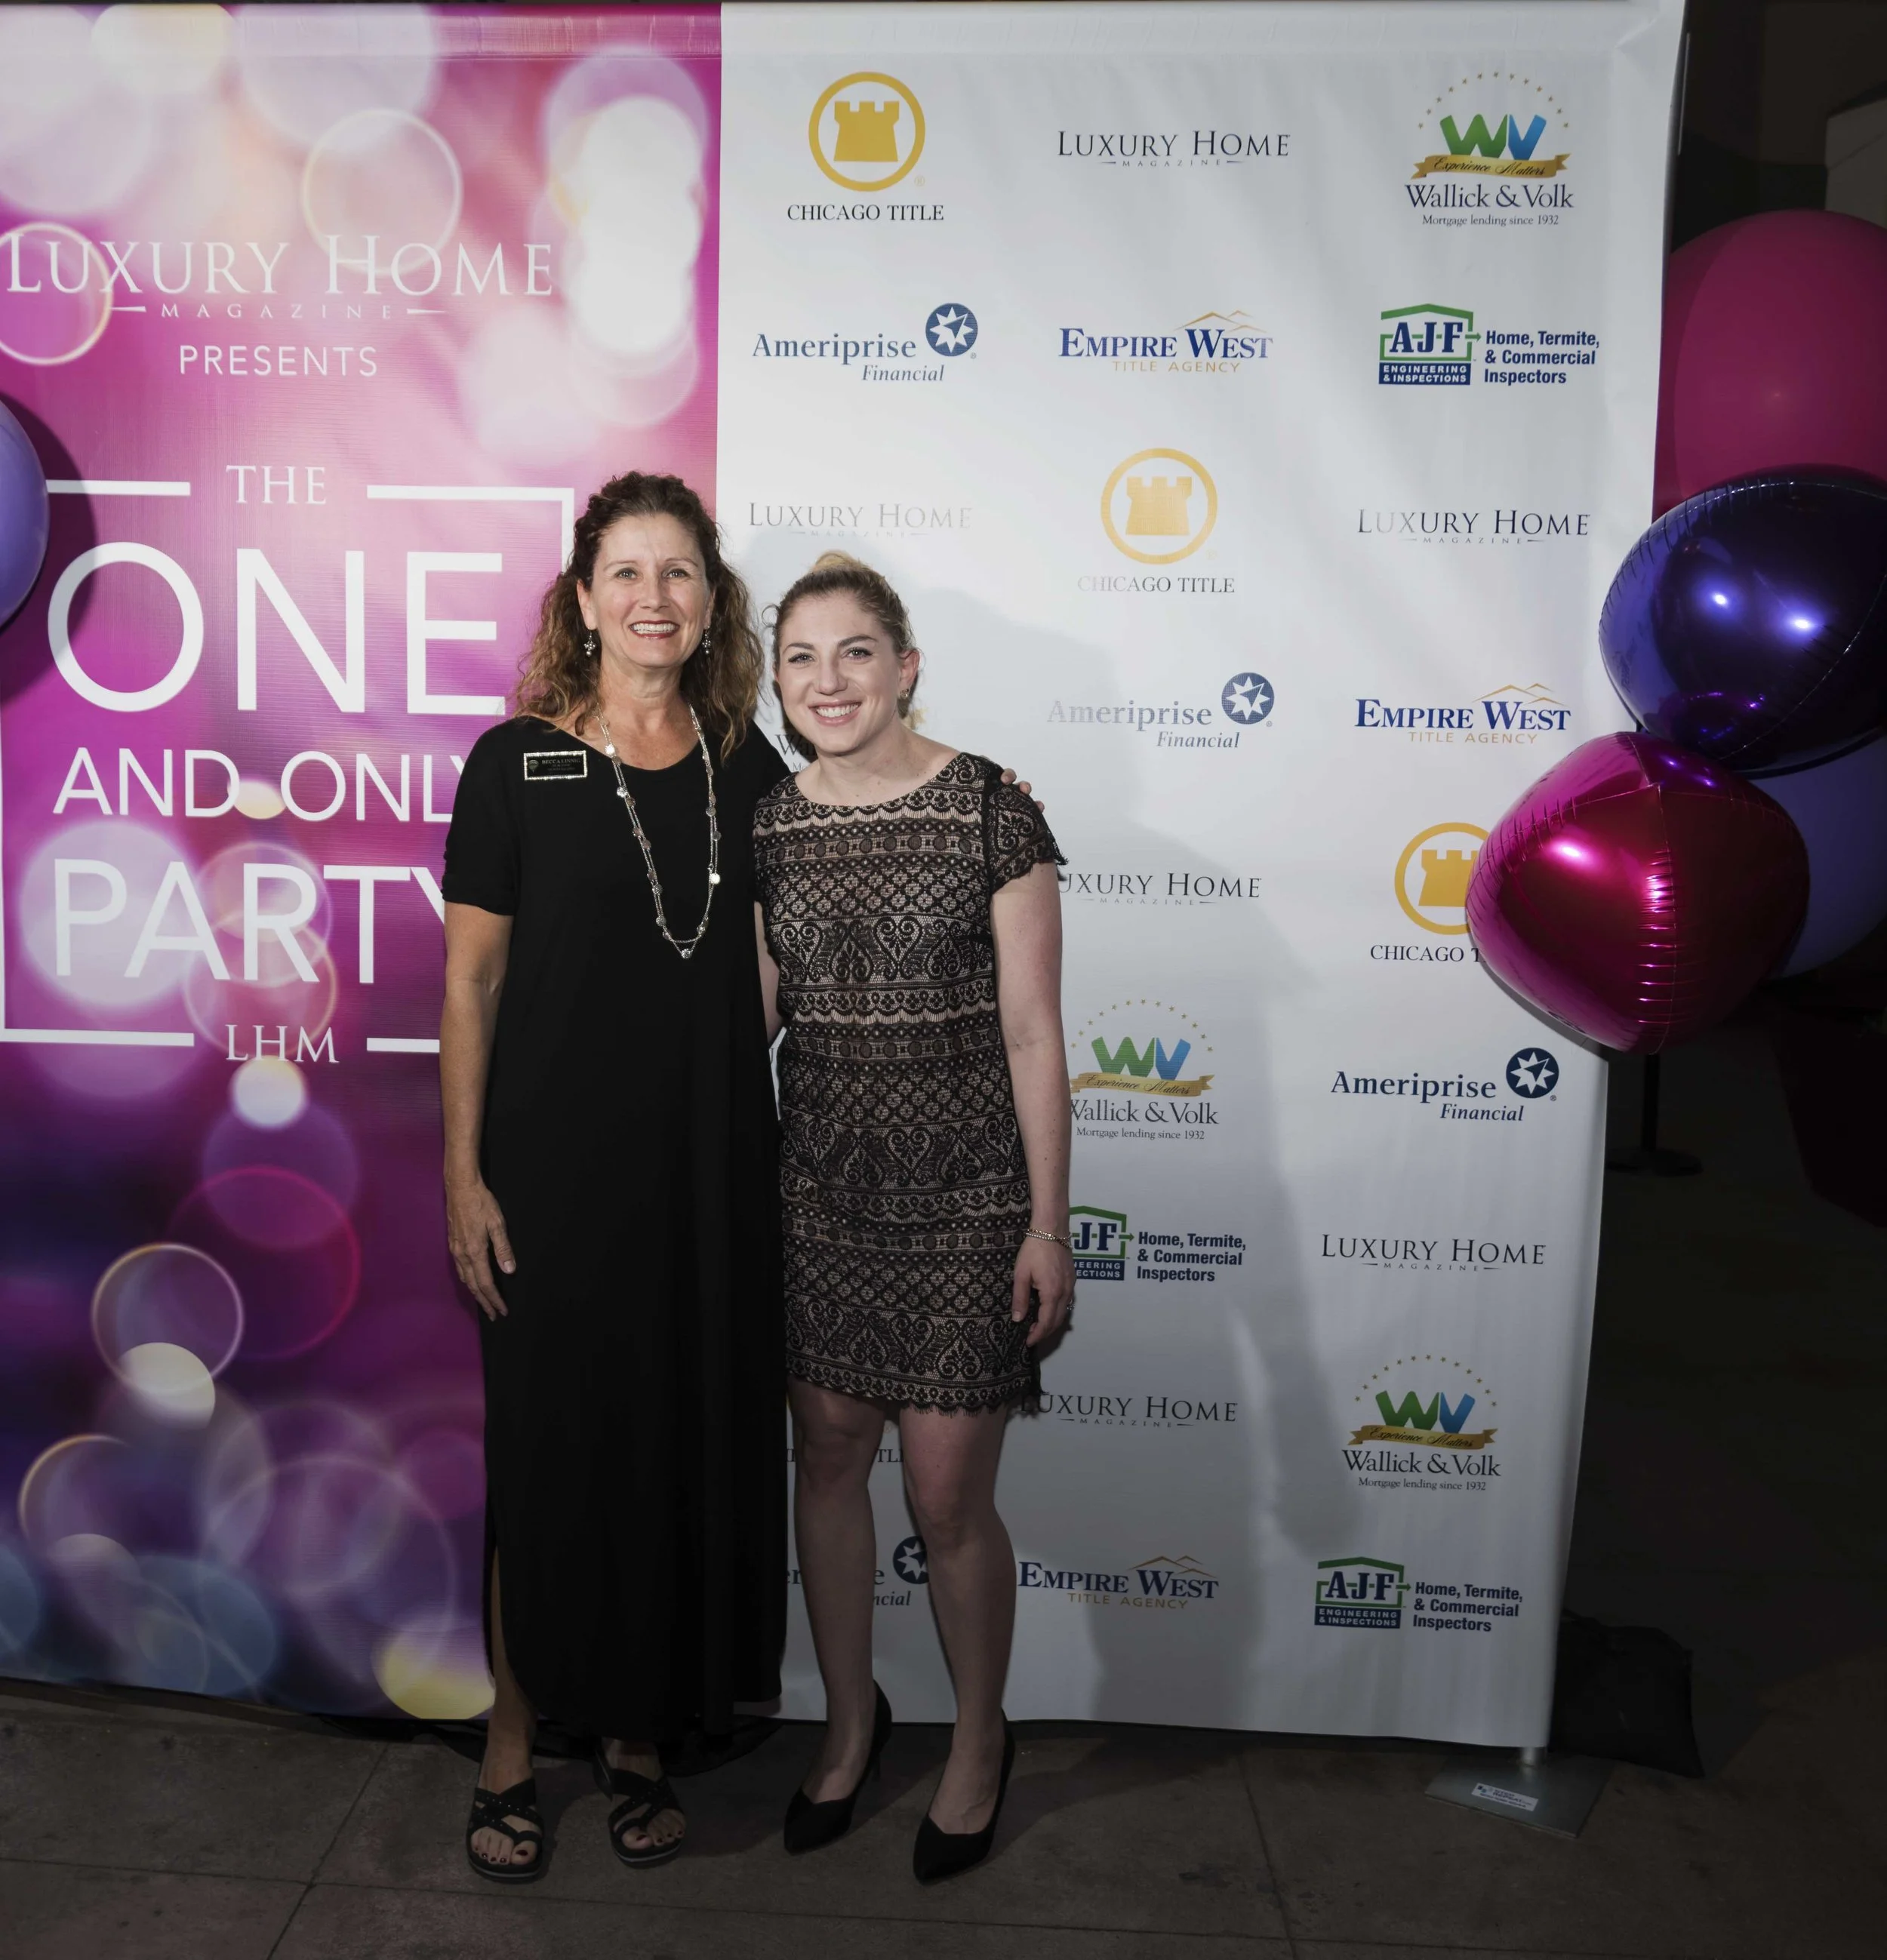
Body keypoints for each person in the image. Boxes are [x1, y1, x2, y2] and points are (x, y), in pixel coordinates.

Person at [439, 472, 790, 1879]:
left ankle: (638, 1734)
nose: (656, 596)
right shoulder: (511, 764)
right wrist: (463, 1179)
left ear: (712, 603)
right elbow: (469, 987)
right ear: (584, 601)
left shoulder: (748, 767)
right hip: (547, 1182)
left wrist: (990, 796)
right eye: (629, 572)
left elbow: (829, 890)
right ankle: (513, 1739)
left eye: (681, 572)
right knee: (546, 1462)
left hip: (707, 1179)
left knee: (668, 1456)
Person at [753, 553, 1075, 1882]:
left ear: (906, 665)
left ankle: (980, 1741)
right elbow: (750, 1028)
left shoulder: (993, 809)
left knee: (947, 1499)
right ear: (776, 681)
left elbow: (1035, 1034)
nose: (827, 681)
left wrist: (1048, 1226)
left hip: (968, 1203)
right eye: (800, 658)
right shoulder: (768, 828)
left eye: (854, 652)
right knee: (828, 1464)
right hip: (821, 1201)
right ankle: (848, 1726)